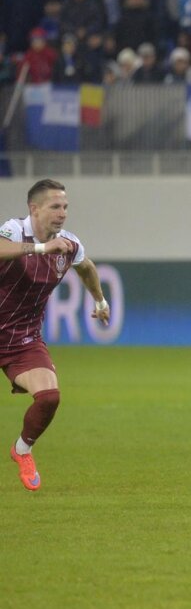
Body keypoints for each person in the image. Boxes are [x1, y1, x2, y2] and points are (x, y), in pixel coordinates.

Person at [1, 180, 111, 492]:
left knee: (49, 397)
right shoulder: (14, 230)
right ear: (34, 209)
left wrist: (100, 301)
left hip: (22, 339)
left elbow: (86, 267)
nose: (62, 213)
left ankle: (22, 449)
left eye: (65, 207)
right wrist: (39, 248)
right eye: (54, 206)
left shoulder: (68, 244)